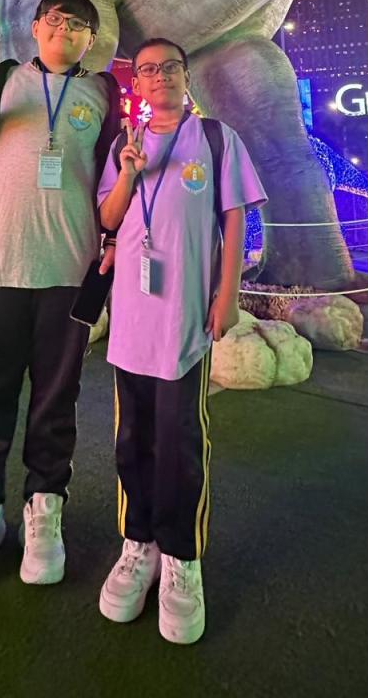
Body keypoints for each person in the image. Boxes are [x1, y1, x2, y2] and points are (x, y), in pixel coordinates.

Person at [0, 0, 121, 592]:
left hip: (69, 267)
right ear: (37, 26)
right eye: (56, 20)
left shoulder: (104, 93)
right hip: (0, 262)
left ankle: (45, 505)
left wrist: (115, 241)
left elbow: (113, 177)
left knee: (56, 395)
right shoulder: (6, 76)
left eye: (78, 25)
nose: (65, 30)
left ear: (90, 40)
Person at [96, 38, 267, 644]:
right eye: (148, 69)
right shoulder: (125, 143)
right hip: (132, 319)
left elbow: (235, 216)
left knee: (180, 439)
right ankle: (137, 544)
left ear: (184, 75)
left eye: (170, 66)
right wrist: (128, 172)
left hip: (185, 320)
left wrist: (227, 294)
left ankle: (181, 557)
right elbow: (109, 218)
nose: (160, 76)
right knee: (132, 437)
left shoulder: (216, 139)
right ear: (138, 84)